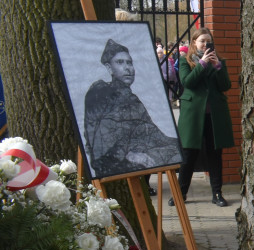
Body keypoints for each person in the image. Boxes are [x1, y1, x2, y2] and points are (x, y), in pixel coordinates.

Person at [84, 38, 181, 179]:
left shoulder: (133, 99)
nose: (127, 67)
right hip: (110, 163)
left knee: (178, 148)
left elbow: (151, 132)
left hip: (135, 154)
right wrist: (130, 154)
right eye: (120, 62)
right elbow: (101, 140)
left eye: (129, 62)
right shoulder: (100, 92)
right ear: (109, 67)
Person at [175, 28, 234, 207]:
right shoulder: (185, 61)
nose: (205, 44)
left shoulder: (219, 61)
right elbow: (188, 82)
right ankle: (180, 194)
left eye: (209, 41)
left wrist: (218, 67)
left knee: (215, 154)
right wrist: (201, 64)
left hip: (214, 115)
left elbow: (226, 85)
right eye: (202, 41)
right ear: (194, 42)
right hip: (193, 115)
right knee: (188, 155)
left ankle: (217, 193)